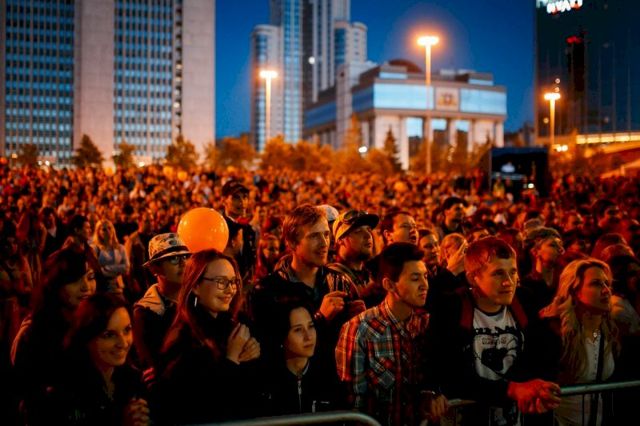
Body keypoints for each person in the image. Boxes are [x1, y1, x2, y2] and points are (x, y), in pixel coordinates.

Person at [424, 237, 561, 426]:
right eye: (498, 274)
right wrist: (511, 389)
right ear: (473, 277)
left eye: (513, 272)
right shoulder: (452, 308)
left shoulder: (525, 302)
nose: (508, 282)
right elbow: (450, 374)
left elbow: (543, 354)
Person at [335, 243, 448, 425]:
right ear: (389, 284)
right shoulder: (360, 329)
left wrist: (433, 392)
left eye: (425, 276)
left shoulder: (427, 323)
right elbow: (353, 404)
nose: (424, 285)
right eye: (415, 279)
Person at [153, 249, 260, 424]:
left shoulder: (235, 325)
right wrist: (231, 360)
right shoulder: (184, 338)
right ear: (195, 285)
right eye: (221, 282)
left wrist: (254, 353)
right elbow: (197, 405)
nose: (230, 290)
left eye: (233, 282)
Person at [251, 204, 363, 366]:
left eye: (326, 234)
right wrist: (320, 318)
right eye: (314, 236)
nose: (324, 243)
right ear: (292, 242)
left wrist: (358, 321)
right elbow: (270, 351)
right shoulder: (267, 291)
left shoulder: (340, 282)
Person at [11, 248, 98, 424]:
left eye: (90, 277)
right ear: (55, 283)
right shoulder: (33, 333)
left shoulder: (94, 322)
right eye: (75, 280)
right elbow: (28, 394)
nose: (86, 287)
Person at [43, 294, 150, 425]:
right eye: (109, 335)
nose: (123, 343)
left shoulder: (133, 379)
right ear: (87, 337)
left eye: (127, 330)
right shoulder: (65, 393)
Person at [538, 258, 621, 426]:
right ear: (574, 291)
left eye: (607, 283)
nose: (606, 290)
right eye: (596, 284)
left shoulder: (609, 331)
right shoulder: (555, 333)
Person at [258, 300, 341, 416]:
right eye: (298, 330)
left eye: (311, 326)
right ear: (282, 335)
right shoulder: (266, 380)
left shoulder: (327, 373)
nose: (308, 336)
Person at [133, 233, 190, 370]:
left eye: (185, 257)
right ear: (155, 268)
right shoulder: (145, 312)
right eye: (174, 259)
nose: (183, 263)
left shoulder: (197, 298)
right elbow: (151, 363)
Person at [328, 209, 380, 307]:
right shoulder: (334, 277)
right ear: (340, 240)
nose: (368, 235)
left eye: (368, 229)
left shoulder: (370, 274)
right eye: (358, 231)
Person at [92, 219, 130, 295]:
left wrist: (106, 268)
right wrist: (117, 270)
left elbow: (126, 268)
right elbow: (96, 271)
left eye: (109, 228)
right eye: (104, 229)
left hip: (117, 288)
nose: (108, 231)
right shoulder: (94, 249)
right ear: (98, 232)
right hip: (101, 289)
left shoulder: (120, 247)